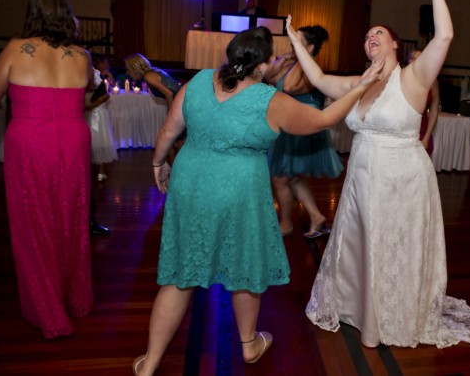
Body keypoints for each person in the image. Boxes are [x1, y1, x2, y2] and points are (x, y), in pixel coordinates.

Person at [132, 26, 383, 375]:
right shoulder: (270, 101)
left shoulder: (198, 82)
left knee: (179, 274)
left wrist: (159, 162)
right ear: (263, 65)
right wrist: (362, 86)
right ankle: (249, 344)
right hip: (238, 189)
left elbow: (168, 131)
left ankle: (150, 364)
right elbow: (325, 119)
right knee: (244, 267)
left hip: (190, 183)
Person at [292, 0, 470, 348]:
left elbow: (445, 37)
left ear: (395, 44)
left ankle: (392, 315)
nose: (371, 38)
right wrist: (298, 44)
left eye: (378, 32)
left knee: (393, 247)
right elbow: (315, 77)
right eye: (367, 36)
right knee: (363, 247)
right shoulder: (358, 82)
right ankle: (357, 308)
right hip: (362, 182)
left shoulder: (414, 77)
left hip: (403, 181)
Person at [0, 0, 95, 338]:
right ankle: (73, 299)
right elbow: (90, 92)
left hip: (31, 142)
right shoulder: (82, 55)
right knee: (69, 217)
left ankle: (47, 308)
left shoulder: (16, 50)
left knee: (33, 221)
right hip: (73, 140)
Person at [264, 25, 343, 238]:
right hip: (289, 126)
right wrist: (289, 57)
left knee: (281, 177)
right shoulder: (292, 63)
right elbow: (269, 76)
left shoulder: (311, 70)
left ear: (310, 47)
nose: (292, 45)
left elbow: (288, 87)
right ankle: (316, 217)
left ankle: (287, 224)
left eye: (297, 42)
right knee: (291, 177)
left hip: (304, 127)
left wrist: (301, 57)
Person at [84, 69, 118, 182]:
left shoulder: (96, 77)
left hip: (97, 113)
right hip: (89, 112)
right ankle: (92, 171)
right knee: (91, 142)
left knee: (99, 141)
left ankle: (100, 171)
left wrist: (91, 106)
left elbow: (105, 96)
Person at [407, 49, 440, 155]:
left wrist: (426, 137)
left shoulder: (432, 81)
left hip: (422, 131)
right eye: (412, 58)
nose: (415, 61)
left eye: (419, 58)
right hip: (403, 131)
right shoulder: (400, 78)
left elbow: (434, 110)